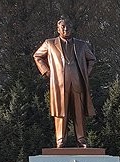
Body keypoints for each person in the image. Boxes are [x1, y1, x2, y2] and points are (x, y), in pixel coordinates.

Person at [32, 18, 96, 148]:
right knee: (61, 111)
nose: (66, 29)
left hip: (77, 83)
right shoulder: (49, 43)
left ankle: (81, 139)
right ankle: (60, 140)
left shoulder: (81, 45)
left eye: (68, 26)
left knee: (78, 111)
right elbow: (37, 56)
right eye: (63, 27)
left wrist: (85, 73)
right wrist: (46, 72)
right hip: (59, 84)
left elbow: (92, 59)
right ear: (58, 29)